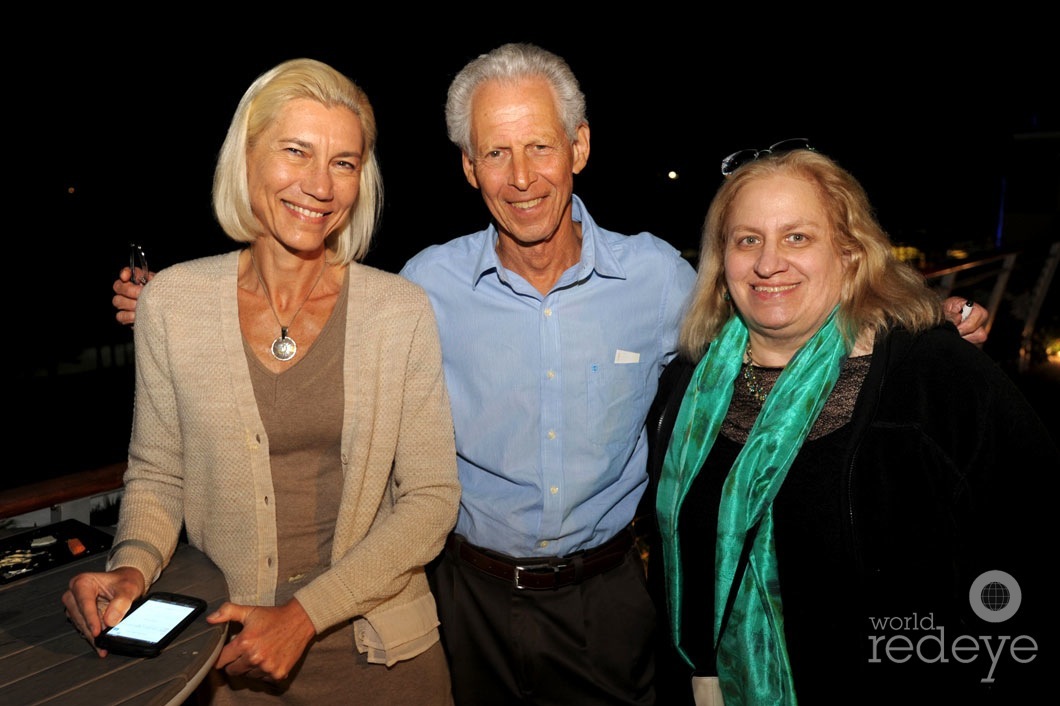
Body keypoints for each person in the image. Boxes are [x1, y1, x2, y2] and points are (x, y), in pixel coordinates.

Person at [110, 46, 992, 706]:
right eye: (494, 153)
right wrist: (167, 304)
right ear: (466, 168)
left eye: (540, 147)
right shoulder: (425, 287)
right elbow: (295, 307)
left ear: (579, 145)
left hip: (608, 598)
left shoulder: (657, 278)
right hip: (461, 597)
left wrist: (912, 321)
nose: (522, 176)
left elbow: (774, 321)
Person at [65, 58, 460, 705]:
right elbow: (160, 473)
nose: (320, 185)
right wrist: (131, 567)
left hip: (385, 658)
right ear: (247, 157)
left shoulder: (400, 311)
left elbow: (431, 499)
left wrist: (301, 616)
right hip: (230, 658)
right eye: (296, 151)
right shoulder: (174, 303)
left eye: (343, 162)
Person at [646, 144, 1056, 705]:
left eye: (797, 237)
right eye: (748, 239)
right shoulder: (686, 390)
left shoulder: (935, 378)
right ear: (722, 264)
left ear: (851, 253)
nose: (769, 263)